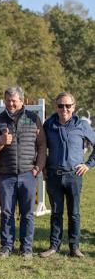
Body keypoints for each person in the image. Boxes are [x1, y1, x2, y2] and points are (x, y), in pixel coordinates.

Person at [0, 86, 46, 258]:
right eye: (8, 100)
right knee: (6, 212)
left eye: (14, 100)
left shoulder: (33, 119)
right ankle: (7, 246)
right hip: (6, 175)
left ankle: (26, 247)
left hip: (28, 174)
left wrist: (37, 168)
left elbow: (42, 146)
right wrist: (1, 140)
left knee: (27, 213)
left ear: (22, 101)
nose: (11, 103)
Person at [41, 92, 95, 258]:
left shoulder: (82, 125)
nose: (64, 109)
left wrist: (88, 164)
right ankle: (54, 246)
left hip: (74, 175)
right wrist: (42, 166)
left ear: (74, 106)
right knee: (56, 213)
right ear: (56, 107)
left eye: (68, 105)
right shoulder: (48, 125)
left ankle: (74, 247)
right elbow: (41, 148)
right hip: (54, 175)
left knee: (74, 213)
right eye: (60, 106)